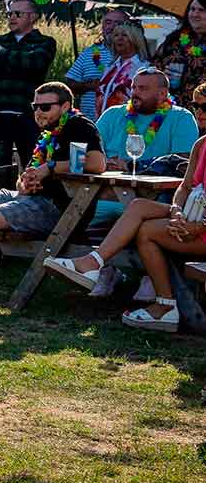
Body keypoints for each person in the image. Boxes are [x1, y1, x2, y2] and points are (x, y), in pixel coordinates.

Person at [46, 84, 206, 332]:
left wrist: (199, 225)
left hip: (201, 225)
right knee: (139, 206)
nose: (199, 111)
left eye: (205, 106)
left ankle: (165, 305)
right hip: (190, 214)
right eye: (196, 105)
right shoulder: (201, 145)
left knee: (146, 231)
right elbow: (185, 188)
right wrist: (176, 210)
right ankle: (94, 263)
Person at [0, 82, 103, 304]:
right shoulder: (47, 131)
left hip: (60, 208)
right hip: (32, 199)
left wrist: (49, 169)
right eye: (35, 106)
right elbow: (29, 173)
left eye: (46, 107)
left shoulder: (78, 125)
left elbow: (96, 163)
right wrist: (26, 182)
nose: (38, 112)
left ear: (65, 106)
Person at [0, 0, 58, 169]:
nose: (12, 17)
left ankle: (35, 196)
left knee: (34, 164)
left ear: (33, 17)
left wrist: (4, 55)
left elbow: (37, 64)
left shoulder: (46, 41)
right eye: (9, 13)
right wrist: (22, 57)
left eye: (17, 13)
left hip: (29, 114)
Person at [95, 68, 196, 171]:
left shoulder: (182, 118)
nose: (135, 93)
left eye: (143, 88)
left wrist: (132, 166)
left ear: (162, 94)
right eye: (133, 87)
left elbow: (182, 164)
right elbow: (89, 150)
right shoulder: (112, 114)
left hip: (156, 185)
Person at [63, 7, 134, 117]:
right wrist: (89, 85)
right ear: (103, 26)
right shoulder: (89, 53)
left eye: (118, 23)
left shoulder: (136, 56)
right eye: (108, 22)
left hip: (124, 121)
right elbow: (68, 86)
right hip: (91, 122)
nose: (112, 27)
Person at [90, 22, 152, 117]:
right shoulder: (110, 67)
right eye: (116, 35)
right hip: (103, 123)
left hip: (129, 124)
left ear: (135, 40)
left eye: (124, 35)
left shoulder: (144, 67)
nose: (119, 38)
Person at [153, 0, 206, 97]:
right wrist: (163, 76)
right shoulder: (175, 39)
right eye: (192, 9)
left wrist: (183, 80)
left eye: (201, 10)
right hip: (168, 106)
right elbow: (154, 66)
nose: (195, 14)